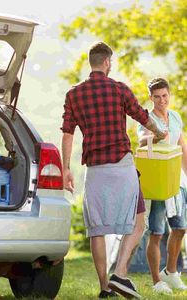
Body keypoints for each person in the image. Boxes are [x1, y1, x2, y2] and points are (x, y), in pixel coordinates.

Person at [61, 41, 167, 299]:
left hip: (95, 169)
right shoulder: (119, 89)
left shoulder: (74, 94)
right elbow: (143, 116)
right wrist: (160, 132)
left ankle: (104, 287)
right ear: (107, 62)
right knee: (138, 220)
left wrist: (66, 169)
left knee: (97, 229)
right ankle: (120, 273)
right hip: (122, 164)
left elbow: (67, 133)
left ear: (92, 62)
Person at [137, 77, 187, 294]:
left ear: (169, 95)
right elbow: (142, 141)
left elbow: (182, 145)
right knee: (157, 233)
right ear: (151, 97)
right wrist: (156, 137)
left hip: (177, 181)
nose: (161, 100)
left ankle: (171, 272)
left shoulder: (175, 116)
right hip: (157, 182)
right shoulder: (146, 118)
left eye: (164, 96)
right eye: (157, 97)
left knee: (180, 228)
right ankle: (157, 281)